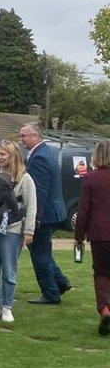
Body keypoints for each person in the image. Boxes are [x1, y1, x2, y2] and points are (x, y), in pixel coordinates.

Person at [0, 140, 36, 323]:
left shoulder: (24, 178)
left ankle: (7, 306)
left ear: (13, 155)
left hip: (12, 229)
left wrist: (29, 231)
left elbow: (31, 206)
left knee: (9, 270)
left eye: (3, 154)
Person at [19, 123, 73, 304]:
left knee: (38, 253)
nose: (21, 139)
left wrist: (35, 217)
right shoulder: (48, 152)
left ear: (35, 136)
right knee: (43, 251)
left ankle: (50, 293)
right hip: (54, 210)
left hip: (45, 213)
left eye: (23, 135)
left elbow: (38, 191)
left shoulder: (40, 157)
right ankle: (61, 282)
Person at [74, 141, 110, 335]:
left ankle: (104, 309)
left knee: (102, 273)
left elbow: (84, 211)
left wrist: (79, 236)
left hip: (100, 234)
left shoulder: (91, 179)